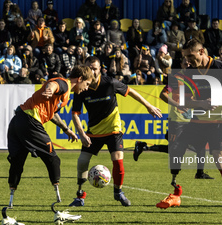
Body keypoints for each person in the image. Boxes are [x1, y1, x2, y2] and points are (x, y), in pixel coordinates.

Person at [155, 39, 222, 223]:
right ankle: (176, 194)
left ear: (201, 51)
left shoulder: (221, 68)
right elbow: (166, 95)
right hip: (195, 121)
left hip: (218, 122)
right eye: (185, 57)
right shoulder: (188, 72)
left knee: (219, 160)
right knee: (176, 150)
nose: (187, 60)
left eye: (190, 56)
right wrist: (197, 103)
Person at [2, 65, 95, 225]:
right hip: (30, 121)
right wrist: (50, 89)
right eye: (86, 84)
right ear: (79, 79)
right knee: (53, 159)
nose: (86, 88)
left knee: (17, 161)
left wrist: (66, 129)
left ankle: (8, 209)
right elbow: (54, 84)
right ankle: (58, 208)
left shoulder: (65, 95)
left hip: (17, 121)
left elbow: (53, 113)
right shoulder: (64, 84)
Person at [68, 56, 162, 207]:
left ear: (100, 69)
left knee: (118, 160)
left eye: (95, 68)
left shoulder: (110, 83)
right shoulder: (81, 89)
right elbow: (75, 114)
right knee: (82, 161)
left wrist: (148, 106)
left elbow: (131, 92)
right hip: (93, 132)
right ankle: (80, 196)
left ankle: (118, 192)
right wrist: (82, 134)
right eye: (89, 68)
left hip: (113, 129)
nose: (92, 71)